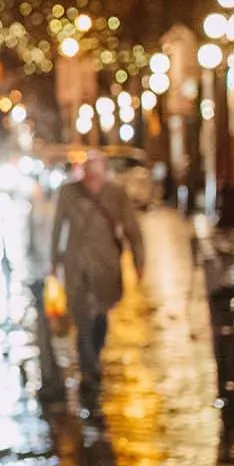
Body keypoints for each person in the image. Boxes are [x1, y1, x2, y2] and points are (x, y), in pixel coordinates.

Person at [50, 150, 145, 409]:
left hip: (106, 265)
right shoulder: (69, 193)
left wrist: (139, 261)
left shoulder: (116, 194)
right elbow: (58, 226)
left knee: (101, 314)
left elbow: (132, 229)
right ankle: (90, 368)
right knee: (81, 316)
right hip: (76, 264)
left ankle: (93, 355)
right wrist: (54, 262)